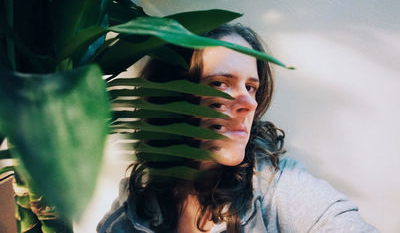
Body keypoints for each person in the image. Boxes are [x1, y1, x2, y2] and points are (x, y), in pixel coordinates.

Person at [98, 24, 378, 233]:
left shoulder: (276, 188)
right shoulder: (134, 209)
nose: (248, 102)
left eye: (251, 87)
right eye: (220, 83)